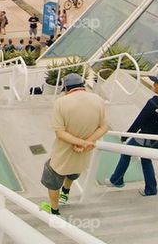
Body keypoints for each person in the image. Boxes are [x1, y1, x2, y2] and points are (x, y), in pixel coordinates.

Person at [39, 73, 109, 216]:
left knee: (52, 179)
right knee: (73, 172)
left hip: (63, 153)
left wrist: (81, 143)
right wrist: (86, 143)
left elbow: (60, 133)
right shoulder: (98, 100)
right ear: (82, 85)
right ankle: (66, 193)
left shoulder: (61, 102)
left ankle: (54, 210)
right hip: (83, 154)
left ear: (66, 88)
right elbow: (104, 127)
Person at [105, 71, 158, 196]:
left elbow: (139, 122)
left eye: (157, 82)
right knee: (145, 158)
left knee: (126, 152)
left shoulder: (154, 102)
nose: (154, 84)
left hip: (147, 137)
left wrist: (125, 136)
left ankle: (117, 180)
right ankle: (150, 188)